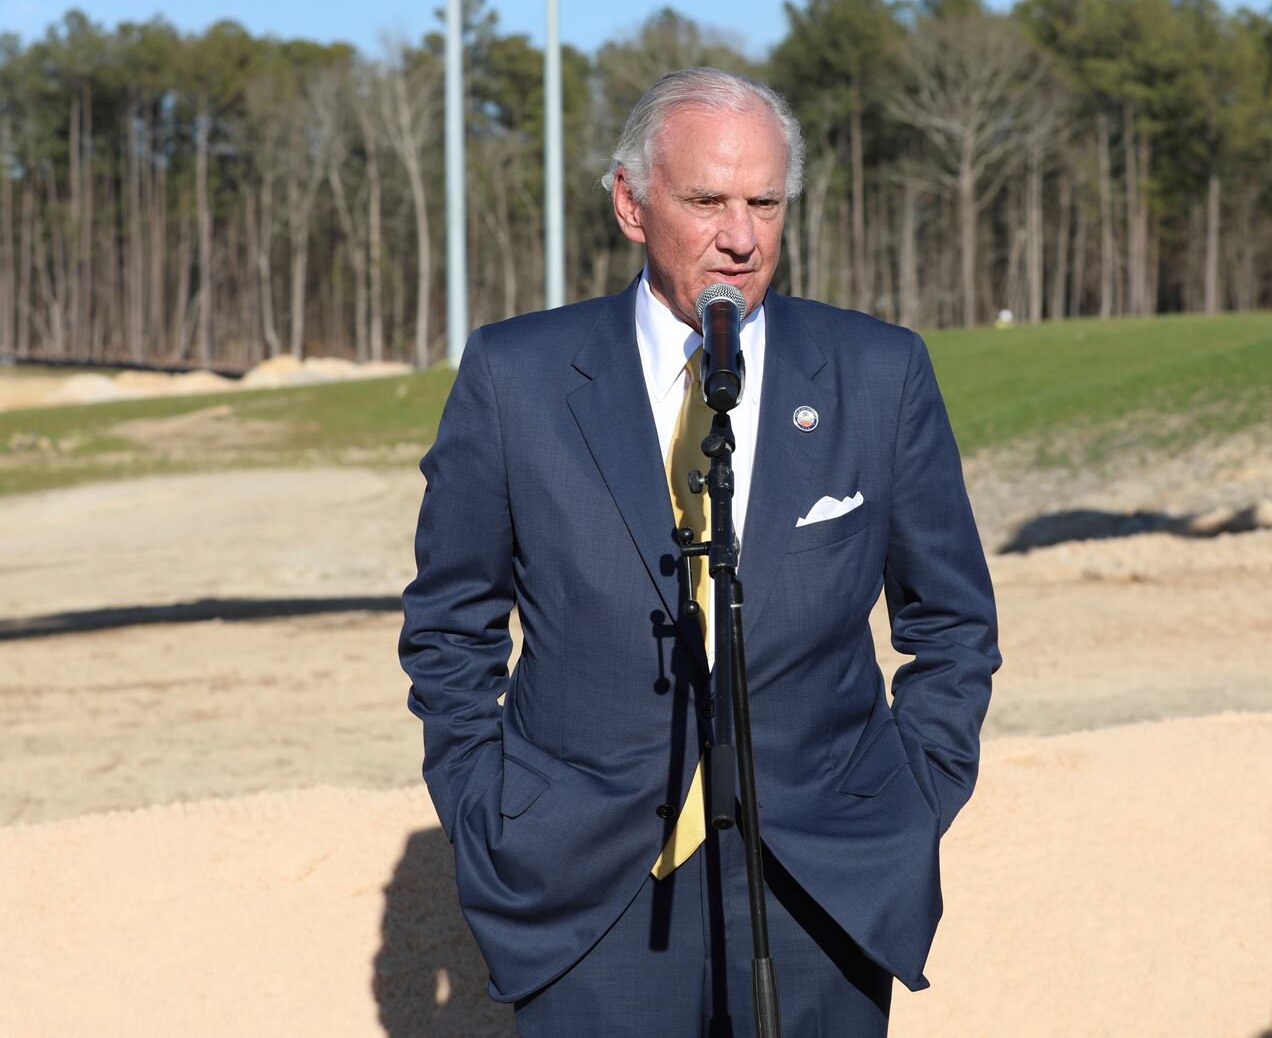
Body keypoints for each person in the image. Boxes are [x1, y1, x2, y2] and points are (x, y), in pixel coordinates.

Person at [399, 67, 1000, 1037]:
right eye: (707, 200)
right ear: (631, 203)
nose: (741, 235)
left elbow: (952, 621)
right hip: (588, 886)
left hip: (825, 882)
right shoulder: (516, 377)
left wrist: (909, 801)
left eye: (764, 201)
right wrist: (488, 807)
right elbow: (448, 622)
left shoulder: (878, 372)